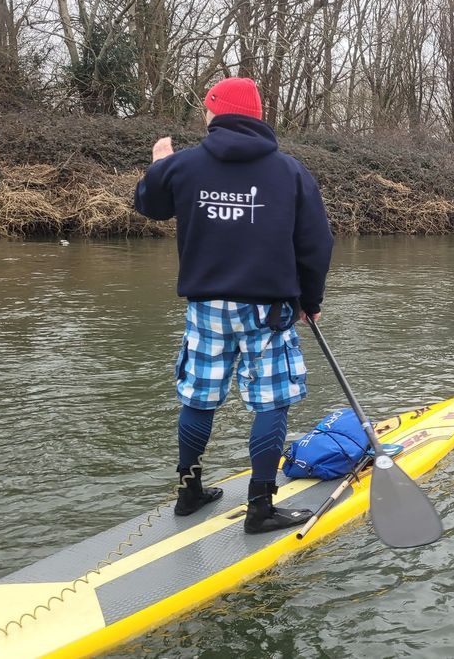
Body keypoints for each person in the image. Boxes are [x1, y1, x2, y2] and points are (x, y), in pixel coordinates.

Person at [134, 76, 334, 534]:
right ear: (258, 117)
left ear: (214, 112)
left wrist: (158, 165)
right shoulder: (290, 172)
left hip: (206, 307)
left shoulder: (183, 165)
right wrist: (311, 300)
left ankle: (189, 492)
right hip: (268, 309)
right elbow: (316, 243)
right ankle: (260, 507)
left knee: (199, 397)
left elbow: (149, 205)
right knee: (270, 400)